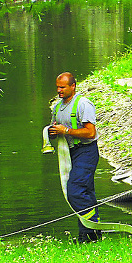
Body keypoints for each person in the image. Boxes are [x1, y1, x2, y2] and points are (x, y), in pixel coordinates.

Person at [48, 72, 101, 243]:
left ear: (73, 86)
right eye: (57, 87)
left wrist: (67, 131)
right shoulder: (57, 107)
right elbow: (57, 132)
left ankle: (92, 229)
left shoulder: (83, 104)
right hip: (70, 153)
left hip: (86, 152)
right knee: (86, 194)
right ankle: (89, 237)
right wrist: (52, 133)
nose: (59, 90)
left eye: (63, 87)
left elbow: (91, 133)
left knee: (75, 191)